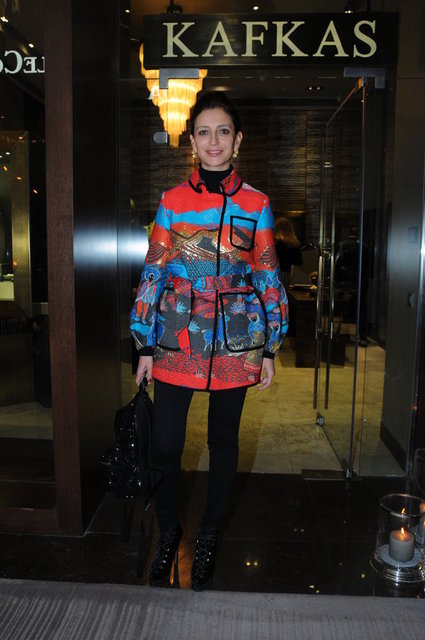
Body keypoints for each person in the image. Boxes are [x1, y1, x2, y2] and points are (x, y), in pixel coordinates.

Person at [130, 91, 288, 591]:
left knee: (223, 442)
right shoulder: (172, 201)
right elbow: (153, 271)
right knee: (165, 444)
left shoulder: (257, 204)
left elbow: (267, 274)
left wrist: (270, 346)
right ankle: (170, 531)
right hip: (176, 336)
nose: (213, 141)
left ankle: (209, 536)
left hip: (238, 338)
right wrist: (143, 343)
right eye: (203, 132)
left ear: (237, 140)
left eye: (223, 131)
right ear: (193, 141)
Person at [274, 216, 302, 290]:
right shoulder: (294, 243)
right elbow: (299, 261)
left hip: (278, 274)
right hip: (289, 274)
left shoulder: (278, 243)